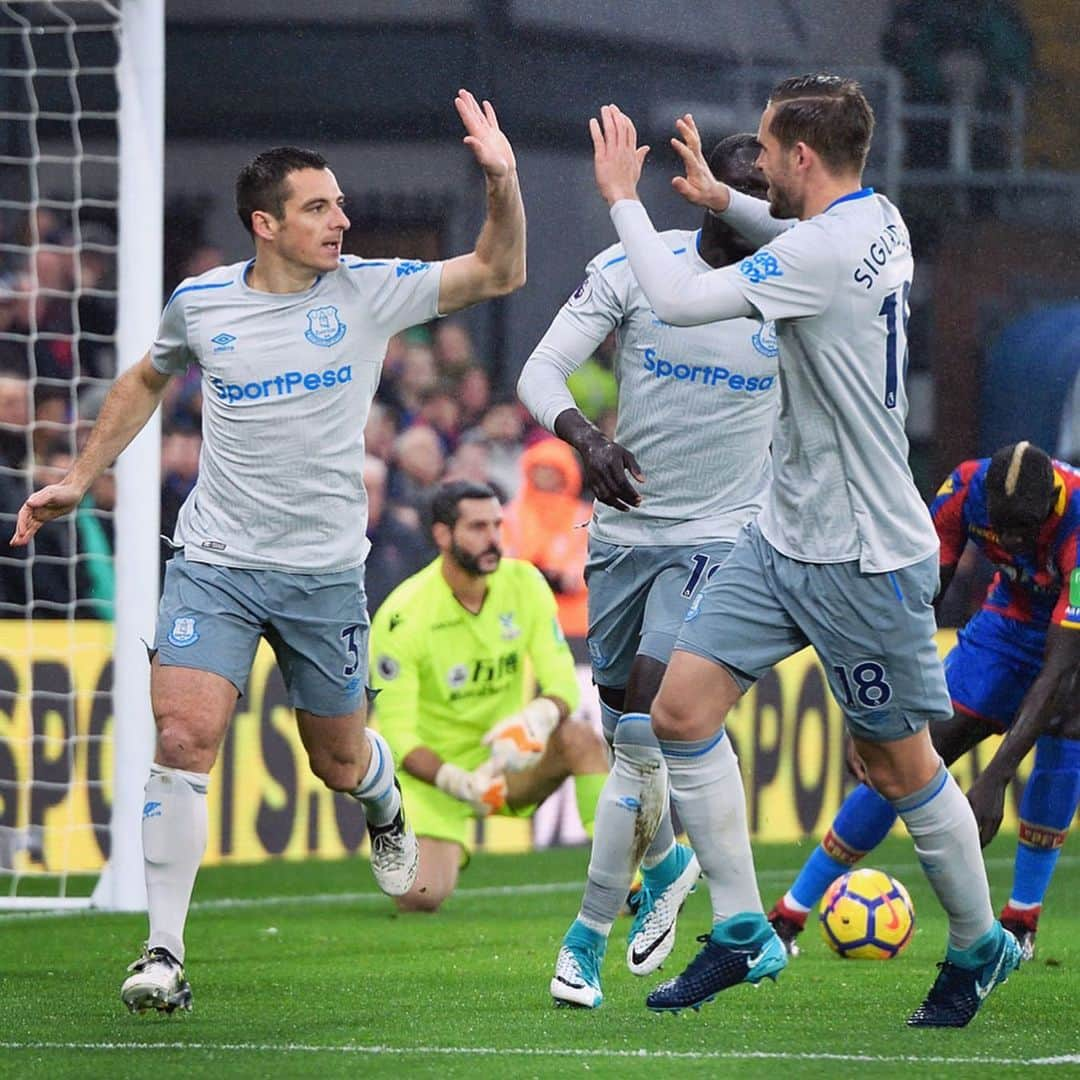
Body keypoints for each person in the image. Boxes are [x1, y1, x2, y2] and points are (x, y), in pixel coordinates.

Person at [10, 89, 526, 1014]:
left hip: (326, 572)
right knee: (183, 736)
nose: (343, 219)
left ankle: (382, 801)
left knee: (336, 759)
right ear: (266, 224)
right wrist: (82, 475)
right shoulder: (202, 303)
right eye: (320, 207)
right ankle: (164, 950)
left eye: (340, 204)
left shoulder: (370, 289)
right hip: (215, 560)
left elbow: (498, 271)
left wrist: (503, 179)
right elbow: (145, 377)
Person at [588, 72, 1020, 1027]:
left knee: (899, 768)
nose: (762, 163)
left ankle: (981, 947)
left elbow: (674, 291)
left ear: (804, 158)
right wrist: (721, 200)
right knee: (680, 711)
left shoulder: (818, 255)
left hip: (860, 552)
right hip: (783, 532)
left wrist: (623, 197)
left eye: (770, 152)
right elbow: (799, 239)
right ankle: (744, 934)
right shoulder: (880, 223)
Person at [517, 132, 778, 1008]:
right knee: (630, 731)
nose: (759, 205)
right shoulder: (634, 267)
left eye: (773, 192)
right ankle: (667, 864)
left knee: (642, 734)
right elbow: (540, 370)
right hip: (624, 539)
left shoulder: (794, 291)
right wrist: (584, 436)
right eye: (743, 186)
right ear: (701, 188)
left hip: (723, 538)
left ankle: (585, 938)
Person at [769, 442, 1080, 960]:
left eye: (1022, 532)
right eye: (1000, 530)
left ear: (1050, 506)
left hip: (1072, 641)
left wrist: (996, 776)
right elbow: (917, 597)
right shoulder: (964, 490)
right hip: (1008, 621)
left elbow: (1061, 665)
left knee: (1068, 723)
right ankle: (788, 914)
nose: (1009, 542)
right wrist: (875, 711)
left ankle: (1021, 918)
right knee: (905, 752)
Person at [368, 480, 608, 912]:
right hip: (436, 780)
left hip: (507, 762)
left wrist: (539, 715)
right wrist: (457, 782)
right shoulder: (402, 617)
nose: (494, 538)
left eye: (497, 525)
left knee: (581, 739)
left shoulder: (524, 583)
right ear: (443, 535)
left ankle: (621, 879)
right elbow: (399, 738)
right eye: (477, 527)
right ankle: (406, 832)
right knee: (420, 896)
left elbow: (562, 684)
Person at [501, 437, 592, 637]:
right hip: (519, 611)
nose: (545, 474)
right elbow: (503, 557)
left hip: (573, 617)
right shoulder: (511, 514)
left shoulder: (584, 515)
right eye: (540, 468)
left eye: (552, 469)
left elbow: (589, 562)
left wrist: (564, 576)